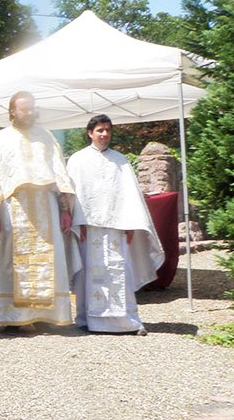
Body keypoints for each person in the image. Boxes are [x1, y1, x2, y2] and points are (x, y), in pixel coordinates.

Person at [0, 91, 80, 328]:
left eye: (32, 108)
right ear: (12, 111)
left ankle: (46, 315)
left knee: (49, 262)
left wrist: (65, 209)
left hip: (45, 207)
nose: (29, 112)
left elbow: (60, 174)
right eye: (24, 109)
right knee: (9, 261)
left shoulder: (46, 136)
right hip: (12, 209)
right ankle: (12, 319)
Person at [67, 114, 164, 334]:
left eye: (108, 130)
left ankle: (126, 321)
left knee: (120, 272)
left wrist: (130, 225)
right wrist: (76, 222)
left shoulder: (120, 161)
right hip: (88, 228)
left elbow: (129, 196)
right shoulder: (77, 160)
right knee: (87, 273)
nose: (104, 134)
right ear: (90, 133)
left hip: (116, 227)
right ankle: (86, 320)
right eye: (100, 130)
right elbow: (73, 194)